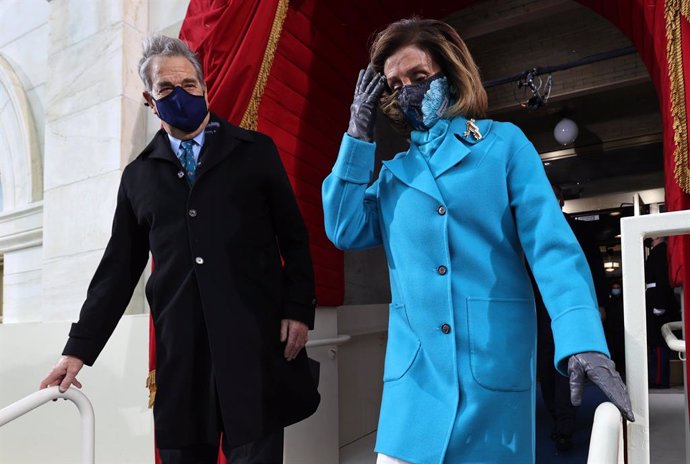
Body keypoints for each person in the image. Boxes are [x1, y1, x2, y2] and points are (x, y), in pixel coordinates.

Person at [322, 17, 633, 464]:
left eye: (419, 76)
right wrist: (356, 137)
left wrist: (582, 335)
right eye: (395, 83)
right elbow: (343, 228)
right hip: (415, 385)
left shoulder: (504, 145)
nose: (407, 89)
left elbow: (551, 247)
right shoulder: (394, 175)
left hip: (492, 371)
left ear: (448, 75)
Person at [39, 35, 320, 464]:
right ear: (151, 101)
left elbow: (295, 238)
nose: (181, 94)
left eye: (189, 84)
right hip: (182, 353)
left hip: (253, 342)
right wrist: (76, 351)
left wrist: (298, 309)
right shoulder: (138, 177)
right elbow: (118, 270)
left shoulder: (254, 152)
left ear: (204, 88)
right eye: (167, 88)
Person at [534, 185, 610, 453]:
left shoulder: (580, 230)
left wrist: (599, 303)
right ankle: (556, 414)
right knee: (545, 362)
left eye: (554, 197)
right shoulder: (532, 230)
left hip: (572, 306)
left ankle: (564, 425)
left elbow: (595, 268)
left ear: (562, 200)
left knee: (566, 361)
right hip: (540, 309)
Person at [645, 236, 680, 388]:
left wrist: (659, 304)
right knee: (655, 342)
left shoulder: (660, 252)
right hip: (655, 298)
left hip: (658, 302)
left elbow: (662, 279)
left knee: (658, 342)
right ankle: (656, 376)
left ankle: (659, 378)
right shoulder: (658, 251)